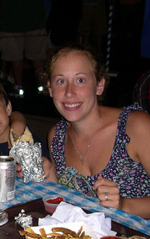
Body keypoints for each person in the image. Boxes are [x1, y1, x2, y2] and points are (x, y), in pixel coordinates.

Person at [46, 45, 150, 219]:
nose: (69, 92)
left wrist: (124, 205)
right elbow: (73, 204)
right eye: (60, 81)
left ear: (99, 85)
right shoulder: (57, 137)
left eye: (80, 80)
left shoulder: (135, 126)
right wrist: (51, 178)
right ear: (50, 89)